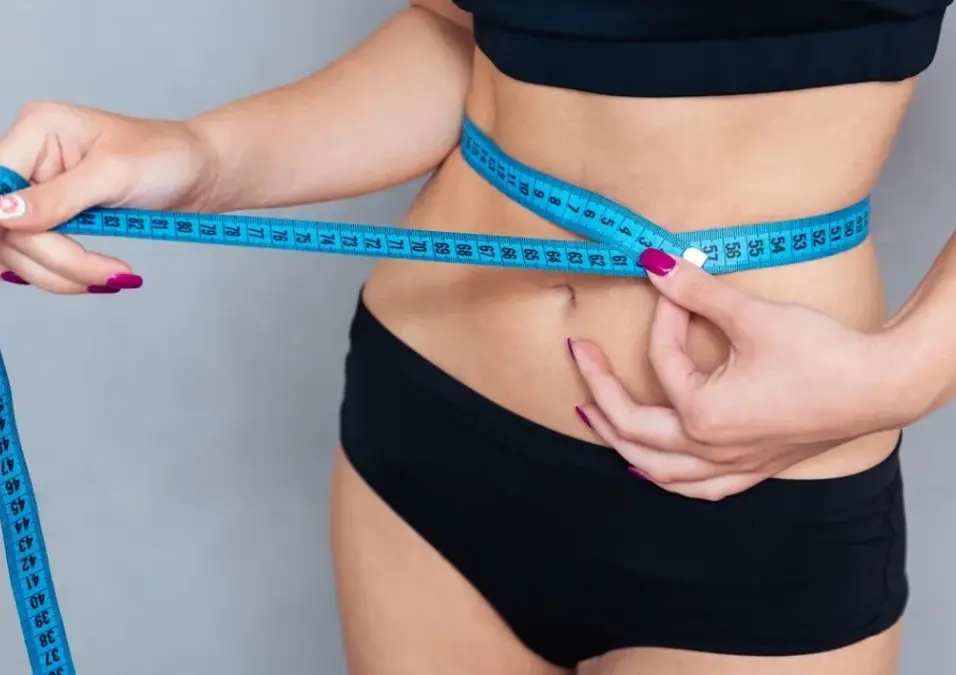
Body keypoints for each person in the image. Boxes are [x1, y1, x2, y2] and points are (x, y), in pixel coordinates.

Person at [0, 0, 952, 672]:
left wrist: (902, 374)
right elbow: (462, 36)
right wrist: (196, 158)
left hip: (754, 485)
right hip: (428, 433)